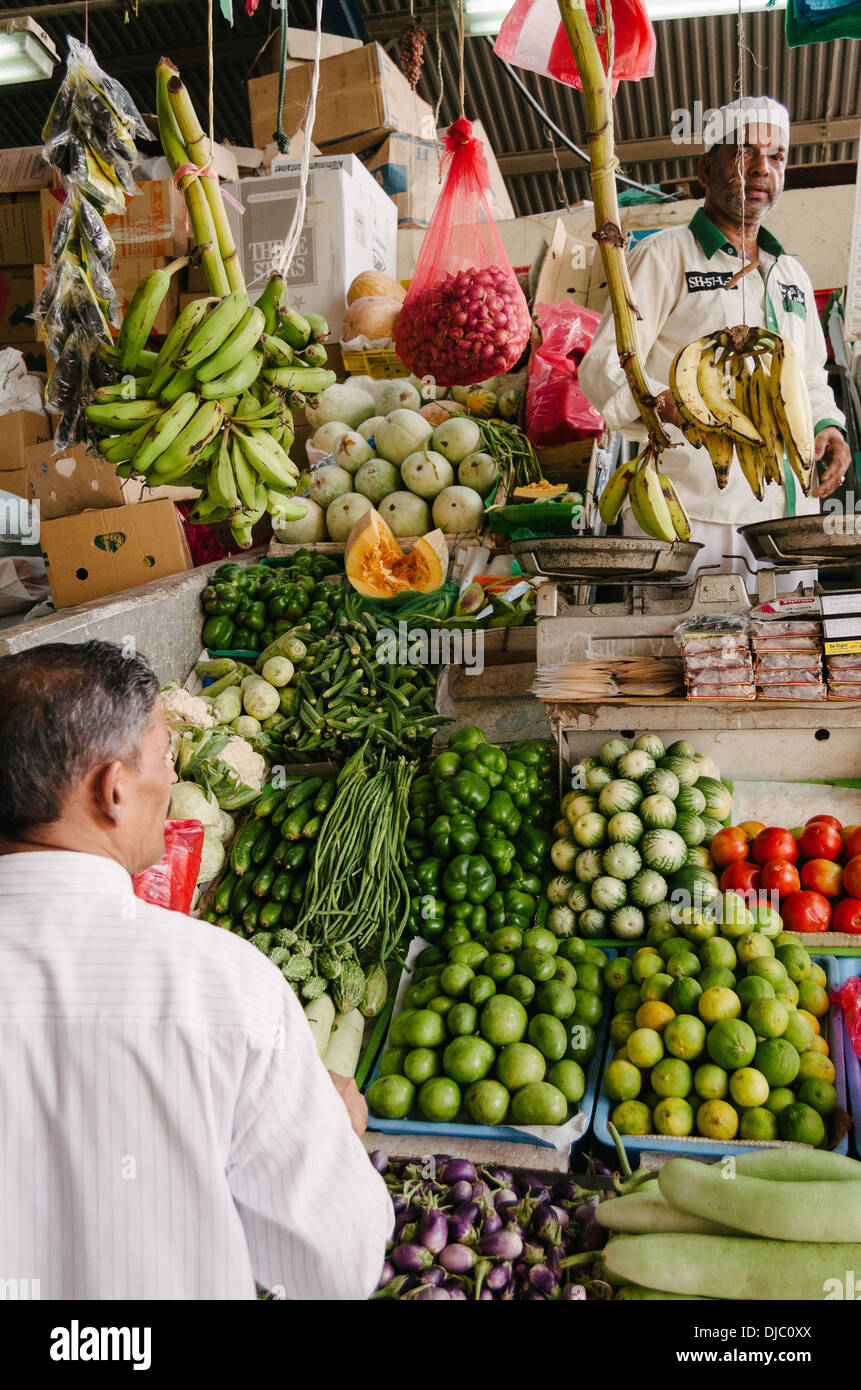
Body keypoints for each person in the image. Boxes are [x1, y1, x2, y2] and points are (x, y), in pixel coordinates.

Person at [0, 640, 392, 1300]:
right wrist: (336, 1136)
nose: (174, 781)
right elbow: (331, 1269)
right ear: (113, 789)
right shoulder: (223, 984)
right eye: (165, 759)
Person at [579, 96, 851, 584]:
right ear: (705, 169)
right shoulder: (663, 256)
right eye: (744, 153)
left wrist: (829, 427)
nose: (761, 169)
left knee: (788, 656)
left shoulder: (790, 273)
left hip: (785, 522)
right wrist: (659, 402)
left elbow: (809, 375)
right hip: (687, 514)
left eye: (776, 157)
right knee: (681, 654)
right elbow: (603, 366)